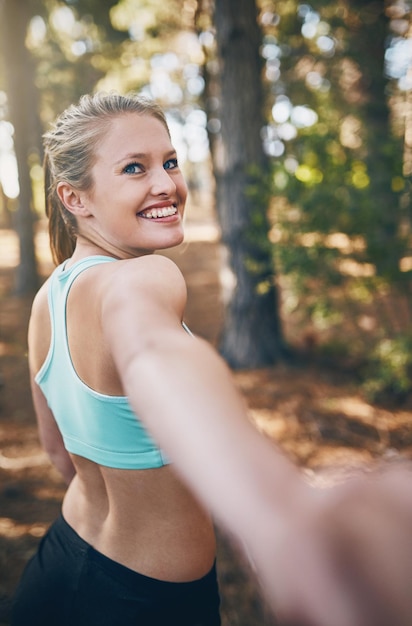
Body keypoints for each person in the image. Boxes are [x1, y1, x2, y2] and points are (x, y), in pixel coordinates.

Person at [11, 91, 412, 626]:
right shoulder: (141, 277)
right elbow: (155, 352)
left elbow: (60, 454)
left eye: (169, 162)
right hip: (148, 604)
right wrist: (283, 518)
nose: (166, 184)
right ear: (75, 198)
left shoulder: (48, 299)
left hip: (61, 564)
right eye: (134, 168)